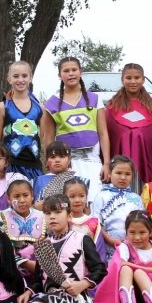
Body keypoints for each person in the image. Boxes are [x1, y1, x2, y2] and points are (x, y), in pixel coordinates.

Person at [18, 195, 108, 303]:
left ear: (69, 216)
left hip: (75, 299)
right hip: (50, 297)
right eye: (48, 213)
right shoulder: (43, 245)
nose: (52, 217)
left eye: (57, 212)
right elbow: (38, 280)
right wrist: (29, 291)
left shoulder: (82, 239)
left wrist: (83, 284)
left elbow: (100, 269)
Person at [41, 57, 110, 202]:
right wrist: (51, 164)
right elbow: (48, 139)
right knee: (69, 201)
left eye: (74, 70)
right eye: (66, 71)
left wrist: (106, 164)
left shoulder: (94, 98)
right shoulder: (52, 103)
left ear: (81, 72)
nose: (71, 73)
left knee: (93, 200)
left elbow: (103, 133)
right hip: (67, 164)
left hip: (92, 160)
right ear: (60, 75)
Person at [105, 63, 152, 186]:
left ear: (143, 79)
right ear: (122, 80)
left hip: (146, 160)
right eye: (128, 78)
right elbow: (108, 135)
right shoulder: (113, 107)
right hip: (121, 161)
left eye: (137, 78)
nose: (133, 81)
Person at [0, 60, 45, 180]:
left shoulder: (40, 108)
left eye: (24, 76)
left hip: (34, 167)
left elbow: (42, 137)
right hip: (10, 166)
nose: (20, 80)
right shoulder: (3, 107)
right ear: (9, 79)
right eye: (16, 76)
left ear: (30, 78)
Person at [91, 156, 146, 262]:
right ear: (110, 174)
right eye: (119, 173)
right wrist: (110, 240)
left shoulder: (137, 198)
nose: (123, 177)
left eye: (127, 174)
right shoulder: (102, 196)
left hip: (134, 243)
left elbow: (143, 222)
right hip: (108, 243)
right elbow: (96, 223)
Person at [0, 179, 46, 278]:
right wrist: (25, 263)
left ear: (32, 196)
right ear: (8, 199)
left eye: (25, 195)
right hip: (12, 268)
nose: (22, 200)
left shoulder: (42, 216)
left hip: (40, 267)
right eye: (16, 196)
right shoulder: (3, 217)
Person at [32, 141, 87, 208]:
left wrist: (52, 206)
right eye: (53, 157)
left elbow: (84, 207)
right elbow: (29, 206)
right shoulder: (36, 181)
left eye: (62, 156)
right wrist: (35, 207)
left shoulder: (79, 181)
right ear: (46, 161)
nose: (57, 160)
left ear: (69, 159)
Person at [64, 177, 105, 261]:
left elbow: (99, 249)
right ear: (65, 198)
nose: (77, 200)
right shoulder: (63, 221)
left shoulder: (94, 222)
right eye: (72, 196)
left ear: (86, 197)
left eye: (81, 196)